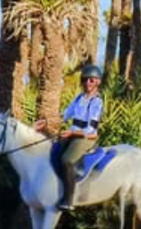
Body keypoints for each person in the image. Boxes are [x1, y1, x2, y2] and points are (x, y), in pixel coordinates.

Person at [36, 63, 104, 210]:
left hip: (86, 138)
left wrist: (72, 133)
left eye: (91, 80)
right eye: (85, 79)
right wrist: (45, 122)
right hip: (72, 134)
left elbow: (90, 129)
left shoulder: (97, 102)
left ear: (98, 82)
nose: (87, 83)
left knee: (67, 160)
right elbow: (65, 115)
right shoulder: (79, 98)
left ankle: (69, 199)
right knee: (52, 152)